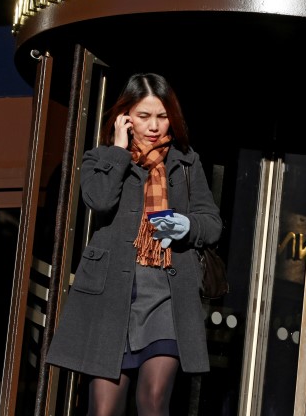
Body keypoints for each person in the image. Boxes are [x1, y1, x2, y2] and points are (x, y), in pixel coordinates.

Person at [45, 73, 223, 416]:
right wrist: (119, 150)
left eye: (162, 115)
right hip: (112, 294)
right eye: (143, 116)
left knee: (154, 400)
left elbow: (211, 223)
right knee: (104, 409)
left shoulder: (187, 161)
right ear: (125, 117)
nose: (154, 126)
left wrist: (186, 226)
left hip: (167, 294)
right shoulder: (101, 158)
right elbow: (98, 200)